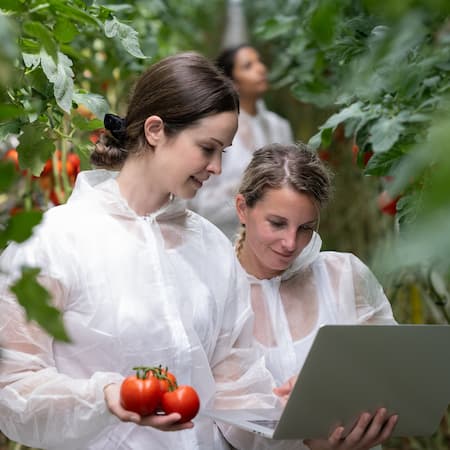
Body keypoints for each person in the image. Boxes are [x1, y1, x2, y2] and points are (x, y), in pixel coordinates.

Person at [0, 52, 282, 450]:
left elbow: (233, 381)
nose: (217, 167)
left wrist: (284, 421)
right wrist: (106, 398)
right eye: (207, 148)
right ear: (155, 130)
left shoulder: (212, 248)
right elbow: (12, 386)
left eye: (224, 151)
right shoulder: (54, 242)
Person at [232, 142, 399, 450]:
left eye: (305, 227)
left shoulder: (344, 275)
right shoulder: (218, 290)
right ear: (242, 208)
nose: (290, 243)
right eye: (277, 223)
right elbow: (216, 409)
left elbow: (391, 374)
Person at [190, 44, 294, 240]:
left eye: (259, 62)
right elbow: (200, 202)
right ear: (232, 81)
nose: (261, 68)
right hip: (224, 239)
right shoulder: (216, 132)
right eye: (248, 66)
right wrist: (249, 186)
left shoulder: (280, 126)